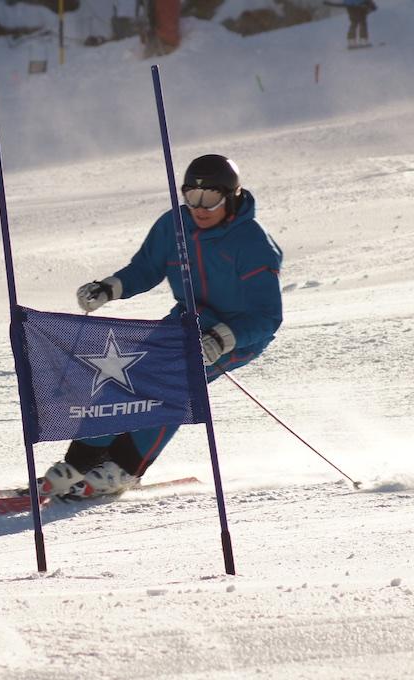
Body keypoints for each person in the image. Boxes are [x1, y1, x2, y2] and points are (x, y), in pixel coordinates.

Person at [39, 154, 284, 499]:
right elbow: (146, 268)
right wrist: (109, 287)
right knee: (120, 374)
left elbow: (267, 317)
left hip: (235, 334)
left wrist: (222, 338)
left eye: (210, 198)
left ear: (230, 197)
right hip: (185, 325)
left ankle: (124, 469)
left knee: (171, 386)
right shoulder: (175, 225)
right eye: (192, 196)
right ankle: (79, 463)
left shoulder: (253, 244)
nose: (200, 207)